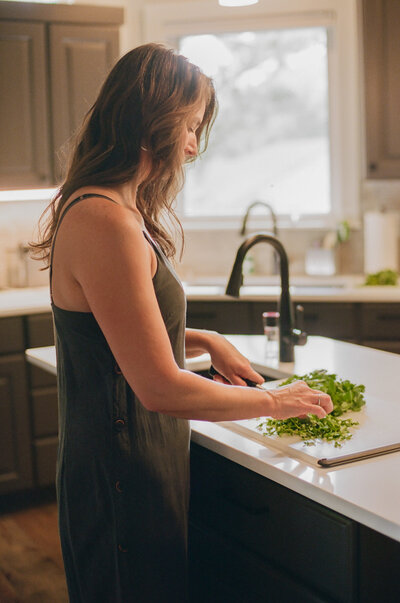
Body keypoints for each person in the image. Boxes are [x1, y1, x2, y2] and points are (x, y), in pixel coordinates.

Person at [30, 43, 333, 603]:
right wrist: (278, 400)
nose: (193, 146)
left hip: (133, 459)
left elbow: (116, 326)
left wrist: (207, 337)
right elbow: (160, 387)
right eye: (189, 127)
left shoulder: (113, 209)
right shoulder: (105, 220)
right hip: (121, 469)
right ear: (152, 122)